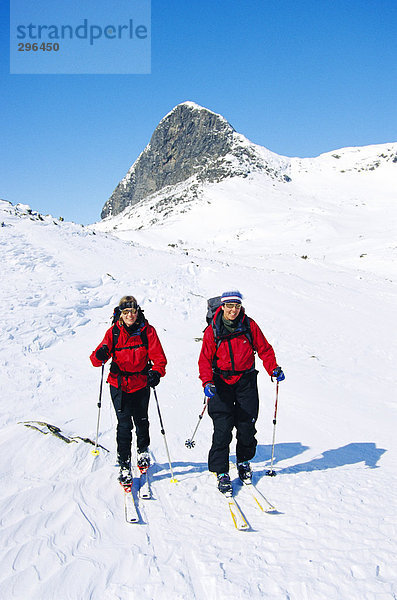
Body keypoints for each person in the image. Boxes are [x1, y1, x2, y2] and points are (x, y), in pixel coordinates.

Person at [198, 290, 285, 494]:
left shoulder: (249, 324)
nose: (233, 310)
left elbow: (264, 349)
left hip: (246, 381)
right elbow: (204, 360)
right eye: (229, 306)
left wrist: (273, 367)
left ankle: (244, 461)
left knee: (247, 425)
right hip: (220, 383)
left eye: (236, 306)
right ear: (223, 306)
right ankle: (221, 471)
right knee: (223, 428)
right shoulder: (213, 330)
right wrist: (207, 382)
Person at [90, 295, 167, 485]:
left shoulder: (147, 331)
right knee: (124, 425)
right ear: (120, 314)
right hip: (119, 386)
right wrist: (99, 355)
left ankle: (142, 451)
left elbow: (159, 358)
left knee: (142, 420)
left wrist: (156, 373)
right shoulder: (113, 333)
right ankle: (124, 463)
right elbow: (96, 359)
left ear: (138, 311)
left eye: (133, 311)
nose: (130, 315)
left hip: (141, 384)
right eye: (126, 312)